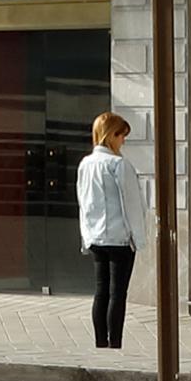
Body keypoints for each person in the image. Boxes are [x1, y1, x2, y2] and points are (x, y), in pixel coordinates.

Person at [73, 110, 141, 348]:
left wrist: (86, 235)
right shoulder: (118, 165)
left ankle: (100, 341)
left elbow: (83, 202)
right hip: (120, 237)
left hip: (96, 237)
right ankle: (115, 342)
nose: (124, 140)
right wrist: (137, 237)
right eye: (122, 135)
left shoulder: (86, 164)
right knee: (117, 293)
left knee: (101, 291)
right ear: (111, 135)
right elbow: (132, 204)